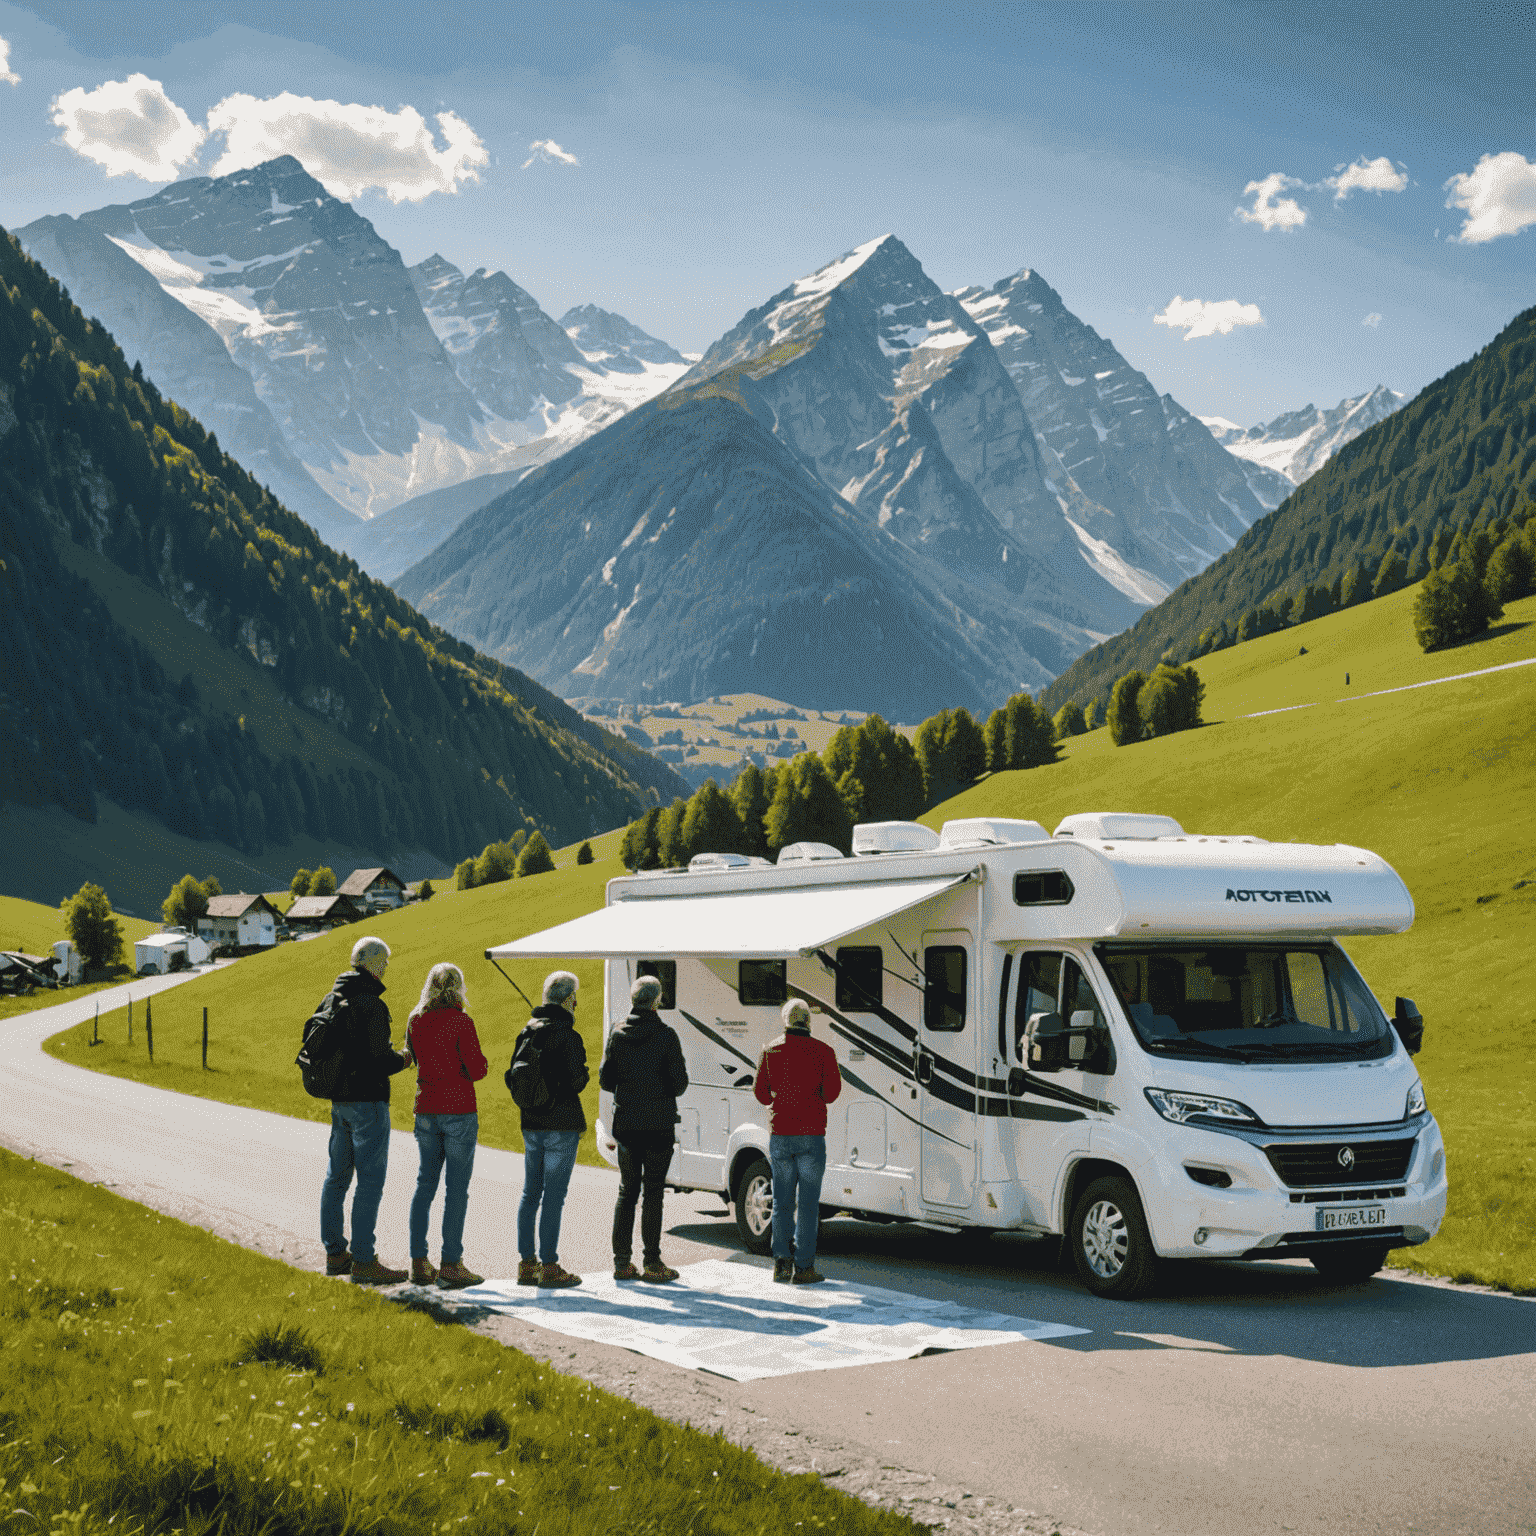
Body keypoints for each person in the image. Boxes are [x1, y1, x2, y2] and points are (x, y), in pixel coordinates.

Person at [319, 935, 411, 1284]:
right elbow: (379, 1060)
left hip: (339, 1100)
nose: (386, 968)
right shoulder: (369, 1003)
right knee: (370, 1182)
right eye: (384, 962)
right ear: (372, 964)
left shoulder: (333, 997)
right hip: (368, 1101)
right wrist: (404, 1058)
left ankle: (335, 1254)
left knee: (336, 1178)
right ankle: (364, 1261)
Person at [599, 975, 689, 1283]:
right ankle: (652, 1262)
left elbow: (606, 1081)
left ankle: (622, 1262)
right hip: (658, 1124)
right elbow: (679, 1085)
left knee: (627, 1191)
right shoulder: (666, 1035)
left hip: (627, 1123)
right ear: (656, 1001)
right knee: (653, 1192)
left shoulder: (618, 1033)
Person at [404, 962, 489, 1290]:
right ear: (458, 986)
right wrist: (479, 1064)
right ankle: (451, 1263)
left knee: (425, 1184)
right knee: (456, 1189)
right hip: (458, 1109)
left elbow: (413, 1055)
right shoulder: (461, 1021)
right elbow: (477, 1069)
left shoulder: (416, 1019)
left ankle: (418, 1261)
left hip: (426, 1107)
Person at [753, 998, 842, 1284]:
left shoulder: (770, 1050)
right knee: (808, 1204)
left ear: (785, 1021)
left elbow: (761, 1093)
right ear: (808, 1021)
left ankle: (781, 1262)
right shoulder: (824, 1052)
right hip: (812, 1136)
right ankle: (804, 1268)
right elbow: (831, 1093)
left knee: (781, 1202)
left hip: (781, 1135)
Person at [513, 970, 588, 1288]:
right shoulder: (568, 1035)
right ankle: (550, 1266)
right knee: (554, 1196)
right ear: (570, 999)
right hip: (561, 1124)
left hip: (531, 1122)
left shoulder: (526, 1031)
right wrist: (582, 1070)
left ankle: (527, 1264)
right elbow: (577, 1082)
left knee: (531, 1193)